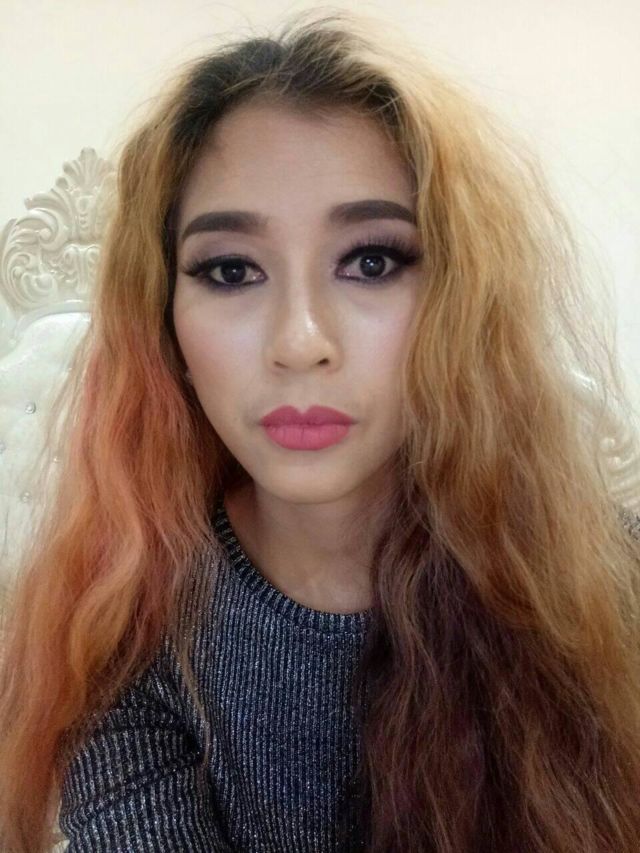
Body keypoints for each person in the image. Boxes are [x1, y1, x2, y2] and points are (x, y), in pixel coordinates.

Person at [1, 8, 640, 852]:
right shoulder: (120, 633)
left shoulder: (607, 583)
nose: (301, 342)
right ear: (165, 322)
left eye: (371, 261)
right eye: (232, 270)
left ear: (457, 302)